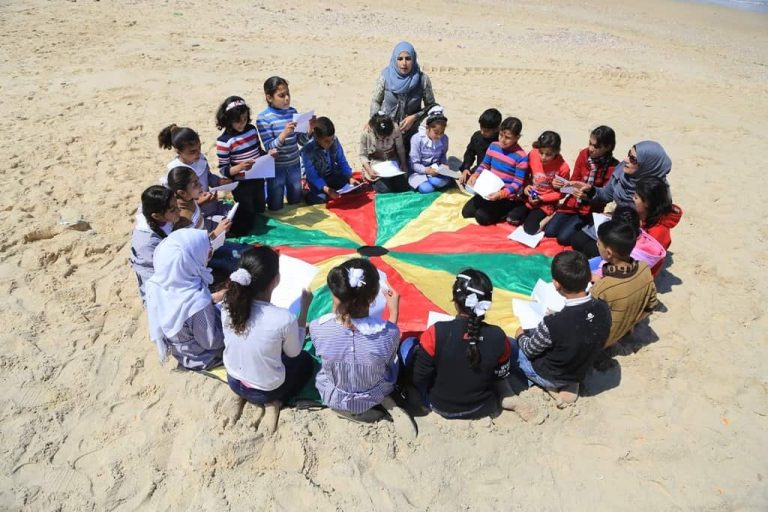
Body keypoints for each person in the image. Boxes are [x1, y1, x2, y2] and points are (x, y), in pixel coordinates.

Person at [503, 251, 611, 418]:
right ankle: (571, 383)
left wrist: (520, 336)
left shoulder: (553, 323)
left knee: (510, 345)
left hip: (552, 373)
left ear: (556, 285)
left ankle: (551, 386)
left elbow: (530, 350)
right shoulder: (603, 308)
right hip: (581, 366)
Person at [222, 246, 315, 433]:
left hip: (232, 380)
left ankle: (241, 396)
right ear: (276, 281)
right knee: (305, 361)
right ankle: (275, 402)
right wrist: (304, 310)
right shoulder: (283, 318)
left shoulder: (228, 304)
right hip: (266, 390)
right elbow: (294, 353)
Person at [310, 258, 401, 423]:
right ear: (373, 297)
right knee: (394, 359)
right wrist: (393, 312)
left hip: (334, 396)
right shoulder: (390, 332)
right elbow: (388, 356)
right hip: (373, 395)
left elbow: (339, 332)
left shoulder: (317, 327)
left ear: (337, 294)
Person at [411, 269, 512, 419]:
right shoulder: (498, 336)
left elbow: (419, 377)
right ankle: (507, 393)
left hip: (441, 406)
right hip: (482, 406)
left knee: (408, 344)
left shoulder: (436, 332)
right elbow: (499, 374)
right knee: (512, 346)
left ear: (455, 301)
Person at [145, 228, 225, 370]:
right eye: (208, 251)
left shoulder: (162, 284)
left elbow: (182, 310)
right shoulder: (195, 300)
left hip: (182, 351)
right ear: (191, 259)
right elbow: (211, 341)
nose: (209, 253)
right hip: (203, 357)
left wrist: (213, 298)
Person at [544, 126, 618, 245]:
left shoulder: (613, 167)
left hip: (589, 210)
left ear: (608, 147)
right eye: (590, 143)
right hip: (572, 203)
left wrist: (587, 197)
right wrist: (560, 185)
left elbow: (605, 196)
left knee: (563, 239)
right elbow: (573, 181)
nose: (591, 148)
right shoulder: (584, 154)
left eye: (596, 146)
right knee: (549, 231)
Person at [590, 220, 658, 348]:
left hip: (602, 341)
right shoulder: (644, 268)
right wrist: (630, 324)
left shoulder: (602, 288)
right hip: (623, 329)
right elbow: (651, 304)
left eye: (598, 243)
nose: (596, 244)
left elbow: (587, 319)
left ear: (609, 252)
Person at [215, 95, 276, 235]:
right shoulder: (224, 142)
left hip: (259, 177)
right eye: (237, 121)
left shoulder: (252, 130)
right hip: (242, 184)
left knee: (260, 207)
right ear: (227, 119)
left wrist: (268, 155)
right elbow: (224, 170)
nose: (242, 123)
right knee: (247, 211)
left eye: (244, 119)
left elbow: (258, 151)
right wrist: (240, 167)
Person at [256, 77, 313, 210]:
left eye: (288, 94)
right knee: (275, 205)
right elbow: (269, 147)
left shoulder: (293, 112)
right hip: (276, 167)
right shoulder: (263, 118)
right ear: (269, 98)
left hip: (294, 163)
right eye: (281, 95)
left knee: (295, 201)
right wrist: (284, 134)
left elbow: (301, 141)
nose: (287, 98)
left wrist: (309, 130)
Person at [462, 117, 529, 225]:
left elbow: (518, 183)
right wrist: (475, 174)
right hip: (488, 189)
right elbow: (485, 164)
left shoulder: (521, 157)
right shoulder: (493, 146)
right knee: (466, 212)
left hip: (504, 196)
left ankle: (507, 210)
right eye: (501, 135)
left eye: (508, 137)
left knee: (482, 217)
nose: (502, 139)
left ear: (517, 137)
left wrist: (501, 194)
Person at [370, 41, 437, 149]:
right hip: (387, 129)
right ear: (394, 59)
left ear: (414, 59)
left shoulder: (422, 79)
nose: (404, 63)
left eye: (408, 58)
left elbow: (432, 106)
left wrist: (414, 117)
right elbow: (376, 101)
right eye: (400, 59)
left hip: (412, 130)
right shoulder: (385, 77)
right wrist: (375, 122)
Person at [159, 124, 230, 220]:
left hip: (213, 206)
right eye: (192, 151)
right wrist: (199, 202)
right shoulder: (174, 171)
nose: (198, 153)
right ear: (178, 151)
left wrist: (219, 181)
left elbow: (208, 176)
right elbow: (176, 203)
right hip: (196, 217)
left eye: (199, 148)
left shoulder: (201, 159)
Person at [572, 140, 671, 207]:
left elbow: (651, 226)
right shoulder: (622, 172)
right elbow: (607, 194)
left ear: (647, 165)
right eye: (629, 154)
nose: (626, 160)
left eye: (633, 159)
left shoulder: (656, 193)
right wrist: (590, 190)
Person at [506, 131, 570, 234]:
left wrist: (542, 198)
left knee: (530, 230)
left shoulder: (563, 168)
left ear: (557, 151)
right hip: (530, 197)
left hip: (546, 202)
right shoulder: (533, 154)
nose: (543, 157)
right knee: (511, 218)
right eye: (541, 152)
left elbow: (563, 193)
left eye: (548, 154)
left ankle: (550, 216)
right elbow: (525, 174)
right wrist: (526, 187)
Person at [130, 185, 180, 302]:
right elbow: (166, 272)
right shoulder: (148, 242)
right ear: (156, 216)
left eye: (176, 206)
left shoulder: (159, 216)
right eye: (173, 210)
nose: (179, 211)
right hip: (160, 286)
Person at [589, 206, 667, 281]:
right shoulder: (645, 240)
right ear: (639, 223)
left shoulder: (628, 253)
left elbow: (606, 271)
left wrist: (597, 275)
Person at [301, 117, 360, 204]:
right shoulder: (307, 150)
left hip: (331, 174)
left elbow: (342, 161)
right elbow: (312, 176)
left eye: (332, 139)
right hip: (315, 180)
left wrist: (350, 177)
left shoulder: (334, 141)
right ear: (317, 138)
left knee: (354, 188)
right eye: (326, 141)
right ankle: (305, 193)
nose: (330, 143)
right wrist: (326, 189)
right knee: (321, 199)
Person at [633, 177, 683, 276]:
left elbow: (645, 263)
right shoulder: (643, 215)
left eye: (636, 197)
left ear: (647, 203)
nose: (632, 199)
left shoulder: (658, 234)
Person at [359, 112, 410, 193]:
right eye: (381, 136)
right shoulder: (366, 133)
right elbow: (362, 155)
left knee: (402, 187)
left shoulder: (395, 128)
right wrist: (369, 170)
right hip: (375, 164)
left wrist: (403, 163)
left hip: (393, 162)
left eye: (387, 136)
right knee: (385, 190)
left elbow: (400, 148)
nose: (384, 139)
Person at [408, 111, 450, 193]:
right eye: (436, 132)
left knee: (438, 182)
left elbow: (443, 155)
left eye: (442, 132)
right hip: (418, 172)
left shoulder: (444, 139)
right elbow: (414, 163)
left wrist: (444, 165)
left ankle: (433, 181)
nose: (439, 136)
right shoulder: (417, 139)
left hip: (436, 171)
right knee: (427, 189)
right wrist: (426, 170)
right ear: (427, 128)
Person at [459, 108, 502, 185]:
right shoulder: (477, 137)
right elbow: (470, 153)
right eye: (481, 128)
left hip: (495, 175)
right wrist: (466, 168)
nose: (482, 132)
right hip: (479, 170)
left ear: (496, 129)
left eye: (486, 131)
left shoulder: (501, 142)